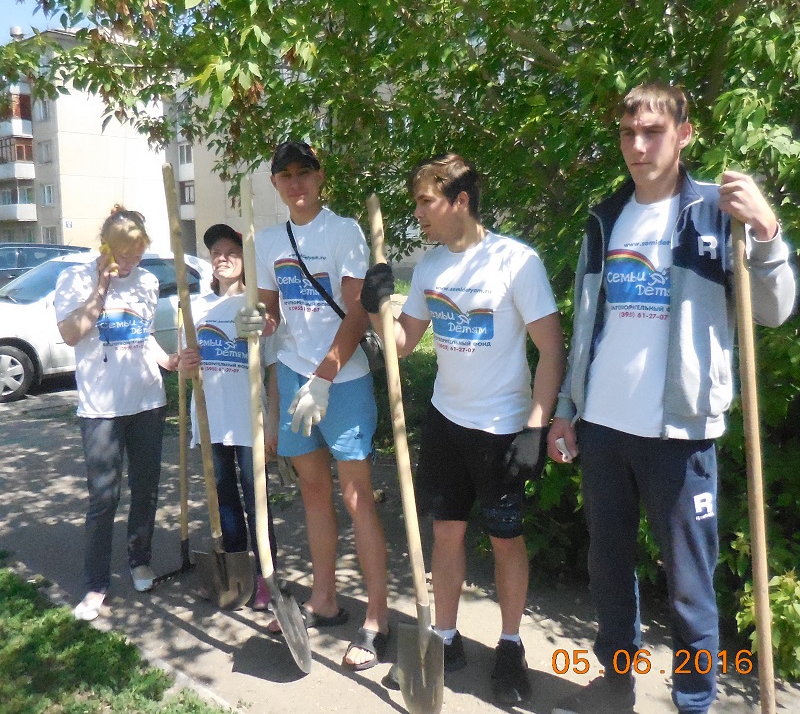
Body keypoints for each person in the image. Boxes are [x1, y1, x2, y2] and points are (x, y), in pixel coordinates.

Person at [547, 82, 797, 714]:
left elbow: (774, 311)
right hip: (603, 427)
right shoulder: (605, 218)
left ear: (684, 134)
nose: (638, 145)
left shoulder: (715, 213)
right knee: (608, 568)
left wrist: (767, 231)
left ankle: (694, 700)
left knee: (689, 585)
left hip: (680, 434)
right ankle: (615, 681)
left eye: (653, 132)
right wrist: (568, 411)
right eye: (628, 133)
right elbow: (587, 321)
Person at [360, 153, 566, 705]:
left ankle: (511, 645)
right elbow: (403, 345)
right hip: (446, 422)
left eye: (426, 201)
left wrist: (536, 426)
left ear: (461, 201)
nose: (418, 213)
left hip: (501, 429)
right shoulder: (430, 267)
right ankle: (445, 639)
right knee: (446, 533)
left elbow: (551, 350)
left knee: (505, 539)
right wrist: (376, 308)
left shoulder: (515, 262)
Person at [238, 140, 390, 670]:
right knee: (312, 491)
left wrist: (324, 378)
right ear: (275, 184)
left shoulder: (343, 231)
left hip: (342, 381)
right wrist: (256, 322)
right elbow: (272, 312)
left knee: (357, 497)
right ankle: (324, 600)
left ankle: (376, 619)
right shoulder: (266, 240)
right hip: (293, 373)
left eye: (304, 172)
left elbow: (357, 312)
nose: (296, 183)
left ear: (319, 177)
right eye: (286, 175)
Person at [55, 206, 179, 621]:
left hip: (147, 402)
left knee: (146, 489)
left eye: (138, 254)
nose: (131, 262)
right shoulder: (74, 279)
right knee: (104, 497)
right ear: (106, 247)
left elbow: (144, 335)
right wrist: (101, 289)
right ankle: (95, 584)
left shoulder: (147, 282)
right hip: (101, 409)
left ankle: (140, 560)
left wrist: (169, 361)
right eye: (124, 254)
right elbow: (71, 333)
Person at [177, 223, 279, 612]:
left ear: (244, 260)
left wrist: (272, 422)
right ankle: (236, 573)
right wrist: (185, 363)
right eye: (215, 252)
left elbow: (272, 369)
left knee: (257, 498)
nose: (222, 258)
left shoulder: (256, 308)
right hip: (211, 419)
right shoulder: (195, 306)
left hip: (248, 418)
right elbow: (185, 366)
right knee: (223, 498)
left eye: (231, 252)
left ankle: (268, 577)